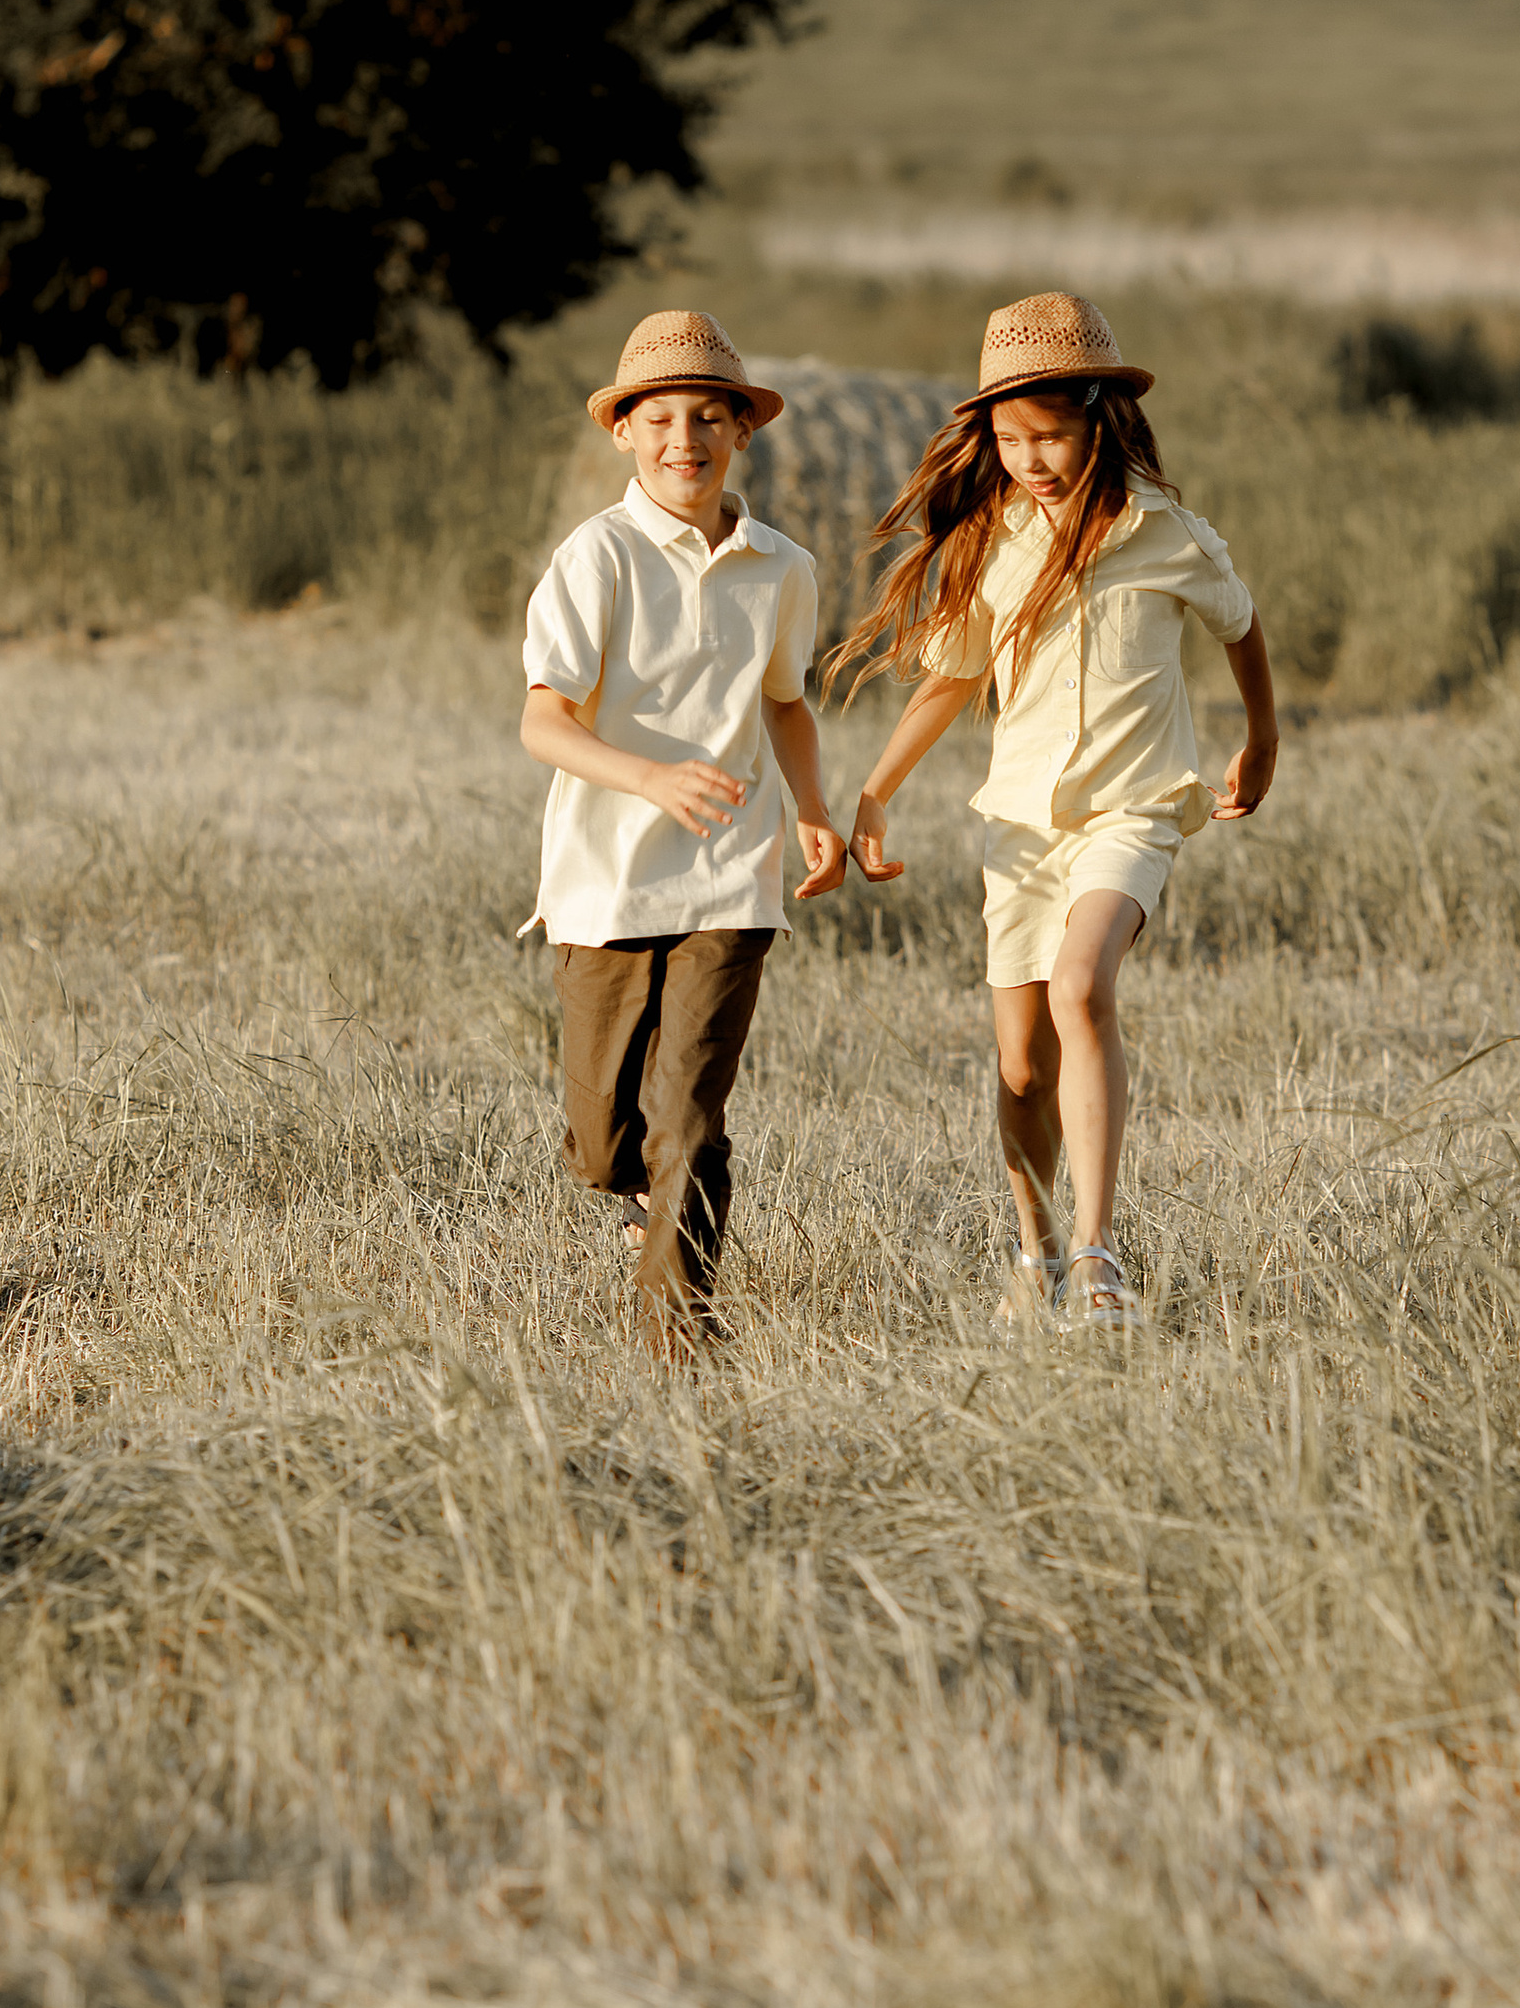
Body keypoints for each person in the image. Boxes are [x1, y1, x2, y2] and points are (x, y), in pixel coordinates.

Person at [837, 292, 1275, 1326]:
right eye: (1010, 438)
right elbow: (950, 677)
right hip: (1019, 829)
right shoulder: (990, 542)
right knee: (1022, 1062)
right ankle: (1032, 1256)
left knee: (1082, 988)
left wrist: (1261, 739)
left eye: (1053, 437)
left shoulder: (1169, 535)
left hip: (1131, 813)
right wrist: (872, 791)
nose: (1032, 458)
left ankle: (1097, 1255)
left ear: (1101, 422)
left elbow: (1242, 630)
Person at [520, 309, 846, 1348]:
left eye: (709, 416)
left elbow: (787, 702)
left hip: (729, 880)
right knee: (602, 1139)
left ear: (741, 431)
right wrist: (649, 777)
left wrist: (813, 813)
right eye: (659, 417)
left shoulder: (782, 567)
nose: (684, 439)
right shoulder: (596, 557)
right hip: (603, 883)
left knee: (691, 1122)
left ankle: (678, 1335)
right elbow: (542, 723)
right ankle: (629, 1199)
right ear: (623, 431)